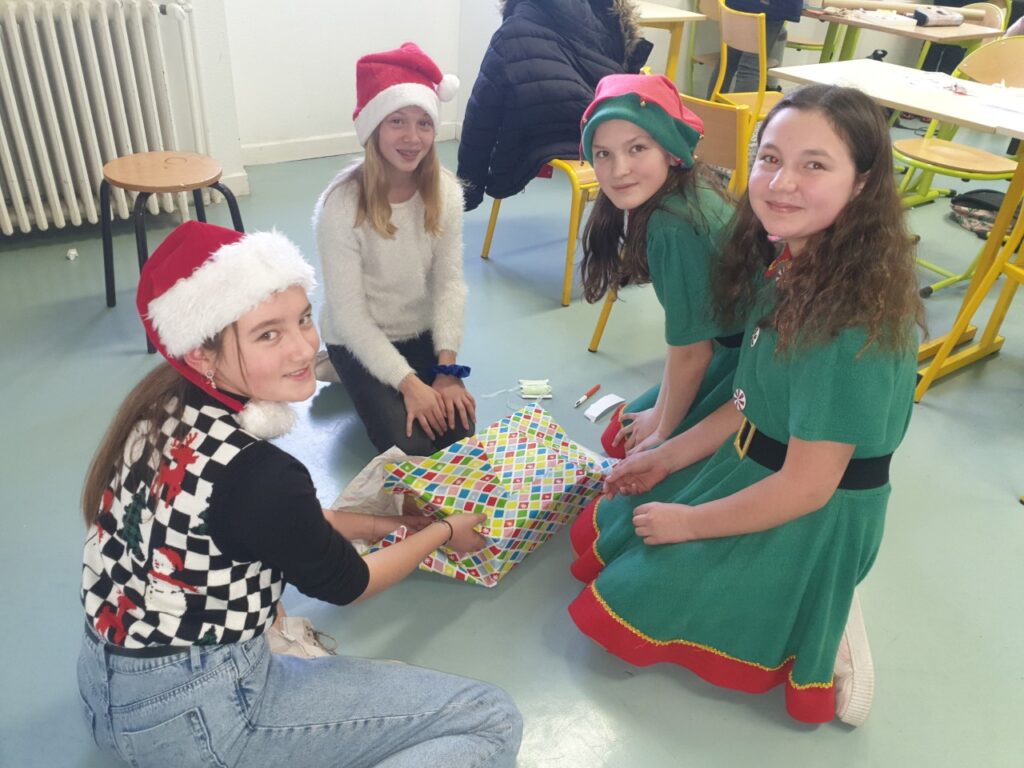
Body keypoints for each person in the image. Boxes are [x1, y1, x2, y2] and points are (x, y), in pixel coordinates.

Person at [78, 221, 523, 767]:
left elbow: (282, 524)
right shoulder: (262, 474)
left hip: (108, 692)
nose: (304, 347)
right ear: (202, 355)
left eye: (304, 319)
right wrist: (444, 531)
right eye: (268, 334)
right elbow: (352, 584)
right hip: (202, 721)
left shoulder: (157, 410)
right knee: (491, 717)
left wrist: (386, 527)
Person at [569, 85, 925, 726]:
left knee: (627, 600)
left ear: (862, 184)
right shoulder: (790, 262)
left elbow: (808, 488)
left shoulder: (847, 327)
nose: (781, 182)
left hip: (814, 507)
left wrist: (689, 523)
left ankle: (827, 605)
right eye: (770, 158)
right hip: (762, 457)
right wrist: (667, 455)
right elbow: (746, 401)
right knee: (624, 522)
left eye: (814, 165)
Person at [315, 42, 476, 455]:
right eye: (397, 121)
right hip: (355, 336)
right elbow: (349, 315)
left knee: (458, 434)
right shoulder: (340, 205)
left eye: (424, 123)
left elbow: (449, 285)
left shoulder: (446, 192)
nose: (412, 137)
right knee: (412, 448)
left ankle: (387, 378)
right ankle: (341, 368)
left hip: (417, 331)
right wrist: (408, 384)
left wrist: (447, 370)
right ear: (373, 128)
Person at [578, 73, 738, 468]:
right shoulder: (682, 191)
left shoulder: (673, 225)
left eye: (637, 148)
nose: (619, 170)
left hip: (746, 367)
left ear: (670, 151)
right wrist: (658, 415)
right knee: (617, 438)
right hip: (724, 349)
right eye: (603, 154)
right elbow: (687, 346)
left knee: (627, 446)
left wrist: (663, 431)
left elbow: (693, 354)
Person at [457, 0, 652, 211]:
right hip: (605, 127)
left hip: (539, 136)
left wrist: (469, 189)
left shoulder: (514, 29)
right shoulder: (606, 16)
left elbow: (481, 112)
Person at [707, 0, 800, 98]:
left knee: (727, 63)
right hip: (769, 7)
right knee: (750, 66)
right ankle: (742, 107)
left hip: (738, 4)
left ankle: (713, 106)